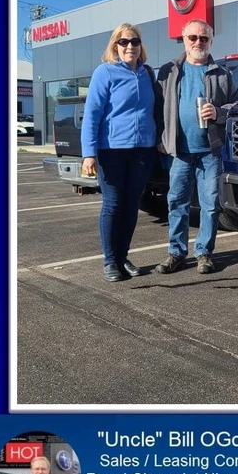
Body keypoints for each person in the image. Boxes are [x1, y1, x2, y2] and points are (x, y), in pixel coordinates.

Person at [154, 19, 238, 274]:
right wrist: (161, 136)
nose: (198, 42)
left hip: (209, 151)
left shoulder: (222, 74)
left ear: (211, 41)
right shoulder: (169, 71)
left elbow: (237, 105)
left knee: (211, 205)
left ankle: (204, 252)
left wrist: (218, 111)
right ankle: (176, 253)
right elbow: (156, 108)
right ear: (184, 39)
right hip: (179, 151)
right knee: (177, 203)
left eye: (203, 38)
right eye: (193, 37)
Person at [81, 23, 160, 282]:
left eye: (134, 42)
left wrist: (158, 139)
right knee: (113, 204)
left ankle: (123, 256)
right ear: (115, 46)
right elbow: (92, 115)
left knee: (131, 206)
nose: (129, 47)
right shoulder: (105, 72)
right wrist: (88, 153)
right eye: (123, 42)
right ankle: (109, 261)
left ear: (140, 45)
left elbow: (156, 110)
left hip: (142, 150)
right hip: (111, 150)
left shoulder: (147, 73)